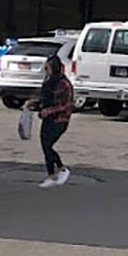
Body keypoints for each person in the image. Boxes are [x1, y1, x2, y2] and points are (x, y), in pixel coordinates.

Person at [26, 54, 74, 188]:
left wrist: (49, 111)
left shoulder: (64, 84)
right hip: (47, 119)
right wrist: (34, 105)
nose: (46, 70)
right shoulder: (48, 82)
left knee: (48, 144)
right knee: (45, 145)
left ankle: (57, 170)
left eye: (48, 68)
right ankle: (54, 171)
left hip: (60, 119)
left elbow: (66, 105)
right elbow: (44, 100)